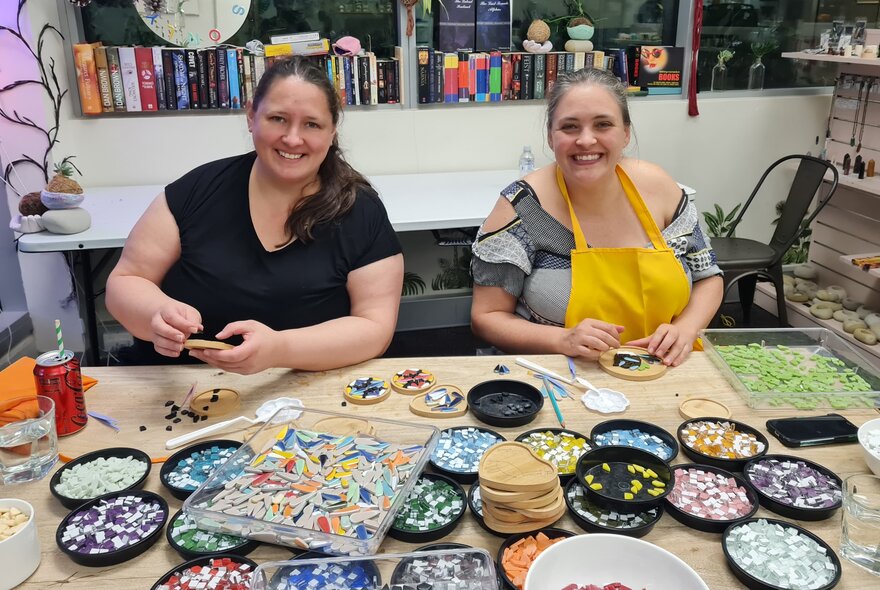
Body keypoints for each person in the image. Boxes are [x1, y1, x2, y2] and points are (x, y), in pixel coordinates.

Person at [106, 58, 403, 374]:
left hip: (303, 391)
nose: (292, 138)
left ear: (332, 132)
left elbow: (375, 328)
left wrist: (279, 349)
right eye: (277, 118)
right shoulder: (196, 191)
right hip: (181, 390)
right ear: (251, 116)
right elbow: (126, 281)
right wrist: (155, 315)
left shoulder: (360, 210)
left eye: (311, 124)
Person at [471, 68, 723, 367]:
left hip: (665, 372)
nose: (586, 140)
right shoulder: (523, 208)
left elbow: (708, 277)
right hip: (564, 380)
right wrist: (563, 340)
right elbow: (486, 318)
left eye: (603, 124)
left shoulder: (659, 187)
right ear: (551, 137)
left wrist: (686, 328)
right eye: (570, 127)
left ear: (625, 133)